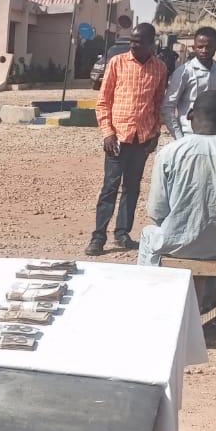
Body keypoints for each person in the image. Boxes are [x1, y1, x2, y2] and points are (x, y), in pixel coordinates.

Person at [138, 91, 216, 267]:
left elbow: (157, 211)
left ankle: (152, 290)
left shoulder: (170, 153)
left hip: (180, 245)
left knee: (148, 235)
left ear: (190, 114)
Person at [86, 22, 169, 256]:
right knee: (109, 188)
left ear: (151, 44)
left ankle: (122, 233)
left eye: (139, 42)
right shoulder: (117, 63)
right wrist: (108, 133)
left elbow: (158, 103)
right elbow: (103, 101)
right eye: (132, 40)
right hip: (117, 138)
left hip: (142, 139)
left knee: (132, 188)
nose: (133, 45)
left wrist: (155, 133)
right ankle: (98, 237)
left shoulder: (160, 68)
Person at [163, 26, 216, 138]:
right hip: (190, 134)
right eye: (200, 47)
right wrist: (179, 137)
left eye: (208, 47)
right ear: (194, 48)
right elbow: (168, 106)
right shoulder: (184, 72)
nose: (204, 50)